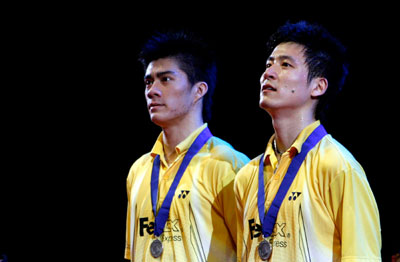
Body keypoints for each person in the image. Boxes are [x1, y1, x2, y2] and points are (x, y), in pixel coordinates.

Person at [234, 21, 381, 261]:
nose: (268, 73)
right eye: (269, 64)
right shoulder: (247, 176)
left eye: (285, 64)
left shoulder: (338, 167)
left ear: (318, 86)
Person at [125, 29, 250, 261]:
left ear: (199, 90)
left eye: (166, 79)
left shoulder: (229, 165)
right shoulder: (138, 171)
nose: (152, 91)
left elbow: (252, 253)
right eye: (148, 81)